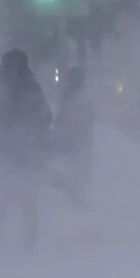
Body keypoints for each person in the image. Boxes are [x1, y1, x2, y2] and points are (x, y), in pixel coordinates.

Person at [0, 48, 53, 249]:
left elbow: (45, 116)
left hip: (23, 152)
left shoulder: (29, 87)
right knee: (2, 198)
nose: (14, 70)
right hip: (2, 151)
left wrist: (37, 141)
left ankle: (27, 243)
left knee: (24, 198)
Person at [52, 67, 95, 205]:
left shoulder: (74, 94)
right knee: (77, 168)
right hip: (75, 138)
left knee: (78, 168)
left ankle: (75, 195)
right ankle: (75, 196)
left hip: (78, 138)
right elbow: (64, 117)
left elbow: (61, 117)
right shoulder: (72, 95)